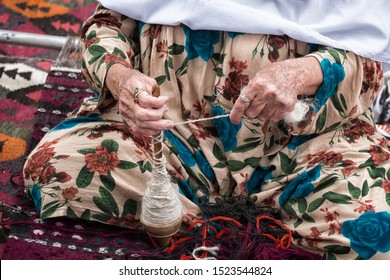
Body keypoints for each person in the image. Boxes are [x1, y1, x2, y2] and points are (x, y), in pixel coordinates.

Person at [23, 0, 390, 260]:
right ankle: (230, 233)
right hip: (173, 138)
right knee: (59, 168)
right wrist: (120, 79)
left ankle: (231, 237)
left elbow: (368, 65)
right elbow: (106, 26)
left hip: (304, 148)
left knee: (379, 226)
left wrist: (303, 73)